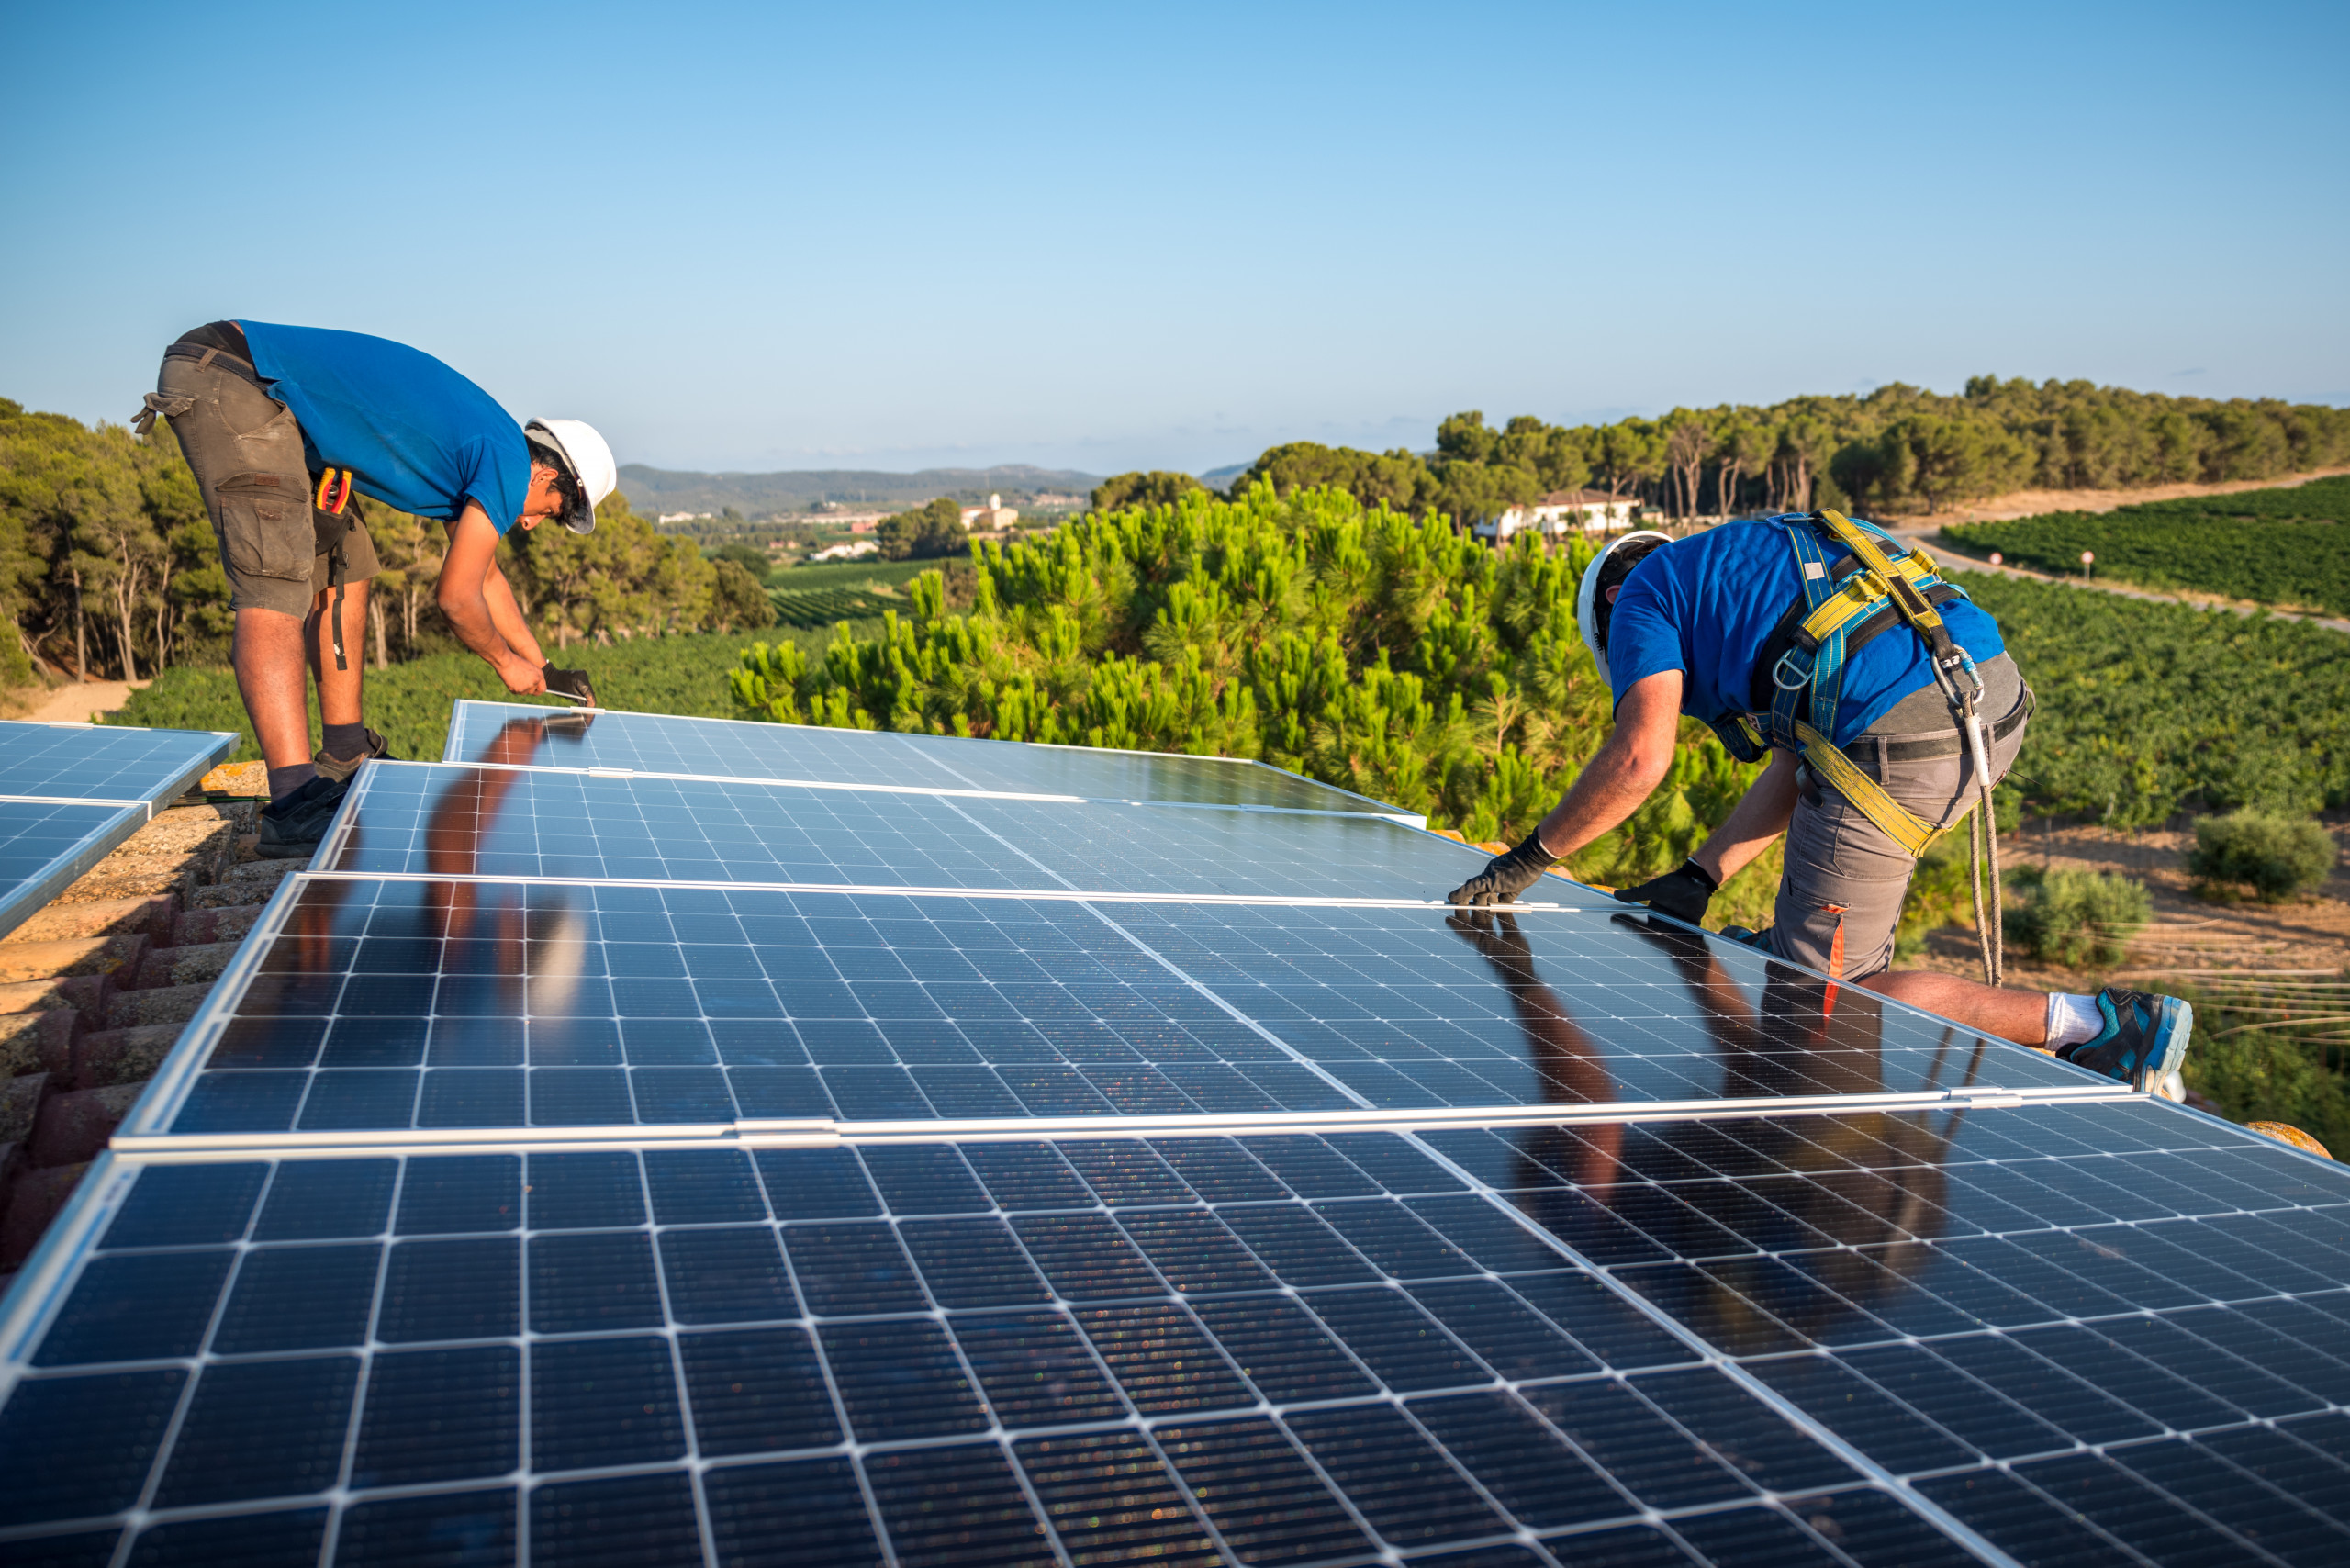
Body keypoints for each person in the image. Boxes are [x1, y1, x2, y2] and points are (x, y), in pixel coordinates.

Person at [1444, 511, 2193, 1092]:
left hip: (1905, 737)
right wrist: (1700, 876)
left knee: (1828, 999)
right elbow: (1800, 763)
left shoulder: (1644, 593)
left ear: (1612, 599)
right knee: (1800, 951)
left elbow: (1641, 758)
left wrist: (1524, 861)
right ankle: (1796, 961)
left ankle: (2099, 1025)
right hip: (1989, 704)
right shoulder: (1752, 566)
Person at [137, 321, 610, 857]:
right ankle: (293, 802)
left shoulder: (491, 448)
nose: (530, 524)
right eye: (550, 512)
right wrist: (506, 664)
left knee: (349, 560)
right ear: (547, 477)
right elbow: (457, 598)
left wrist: (544, 668)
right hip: (239, 377)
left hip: (280, 409)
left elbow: (485, 577)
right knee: (275, 581)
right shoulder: (505, 462)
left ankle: (346, 751)